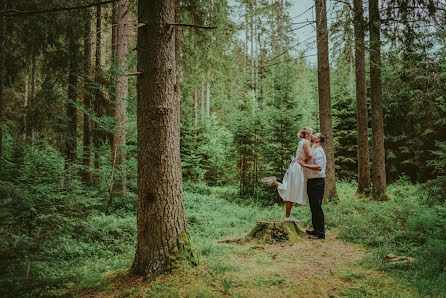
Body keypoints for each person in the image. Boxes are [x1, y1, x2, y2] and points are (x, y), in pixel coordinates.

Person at [262, 126, 314, 222]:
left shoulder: (301, 142)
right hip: (298, 167)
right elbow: (309, 156)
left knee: (290, 189)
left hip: (294, 166)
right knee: (292, 191)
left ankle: (275, 183)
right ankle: (287, 216)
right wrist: (313, 146)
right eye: (311, 133)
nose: (312, 136)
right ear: (307, 134)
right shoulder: (306, 142)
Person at [298, 132, 326, 239]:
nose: (312, 135)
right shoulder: (313, 150)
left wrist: (305, 165)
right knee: (313, 207)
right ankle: (316, 229)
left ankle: (320, 233)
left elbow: (319, 167)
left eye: (315, 135)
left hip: (317, 182)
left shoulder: (318, 151)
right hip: (311, 182)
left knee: (317, 207)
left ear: (317, 140)